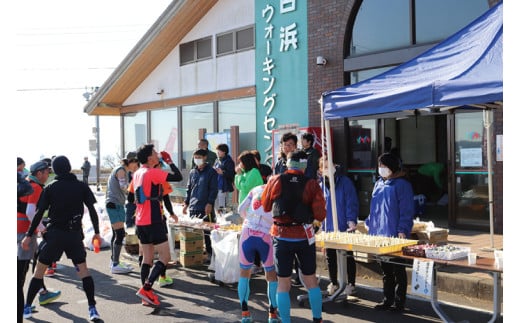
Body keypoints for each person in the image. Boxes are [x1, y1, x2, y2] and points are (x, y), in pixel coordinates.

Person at [21, 155, 102, 321]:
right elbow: (92, 210)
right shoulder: (81, 186)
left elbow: (37, 214)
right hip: (74, 235)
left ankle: (27, 307)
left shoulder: (50, 187)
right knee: (84, 272)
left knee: (39, 272)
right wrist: (97, 232)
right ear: (70, 167)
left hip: (55, 236)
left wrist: (29, 235)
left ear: (55, 171)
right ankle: (92, 309)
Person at [261, 150, 326, 323]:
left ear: (287, 164)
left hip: (281, 236)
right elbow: (320, 215)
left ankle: (286, 321)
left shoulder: (275, 180)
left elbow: (266, 206)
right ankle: (317, 319)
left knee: (283, 283)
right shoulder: (312, 184)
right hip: (304, 237)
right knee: (311, 281)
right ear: (305, 165)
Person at [128, 144, 183, 306]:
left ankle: (146, 293)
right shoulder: (152, 173)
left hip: (140, 221)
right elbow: (178, 177)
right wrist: (169, 161)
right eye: (154, 153)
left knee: (147, 258)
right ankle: (147, 288)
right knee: (165, 257)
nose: (157, 154)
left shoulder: (137, 173)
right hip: (153, 220)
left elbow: (131, 198)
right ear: (150, 158)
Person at [365, 153, 414, 312]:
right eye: (380, 166)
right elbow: (374, 208)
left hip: (395, 233)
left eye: (384, 166)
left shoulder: (402, 185)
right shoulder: (379, 183)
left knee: (398, 269)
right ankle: (387, 299)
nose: (381, 169)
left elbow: (406, 210)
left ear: (392, 167)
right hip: (379, 233)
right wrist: (368, 223)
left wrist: (403, 229)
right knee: (386, 269)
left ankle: (399, 302)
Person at [17, 160, 61, 322]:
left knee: (34, 264)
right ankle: (22, 307)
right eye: (46, 172)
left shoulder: (24, 184)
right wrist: (42, 229)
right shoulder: (34, 187)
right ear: (38, 173)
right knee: (21, 274)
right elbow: (30, 212)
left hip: (20, 231)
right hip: (23, 233)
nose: (47, 175)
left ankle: (32, 298)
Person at [237, 184, 279, 323]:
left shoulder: (254, 189)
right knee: (270, 274)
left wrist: (248, 220)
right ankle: (272, 314)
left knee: (244, 273)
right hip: (266, 235)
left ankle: (245, 314)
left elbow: (240, 209)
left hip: (247, 232)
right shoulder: (278, 191)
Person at [318, 158, 359, 296]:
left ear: (335, 166)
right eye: (324, 166)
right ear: (320, 170)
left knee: (347, 255)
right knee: (330, 256)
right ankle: (334, 282)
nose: (328, 168)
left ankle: (351, 284)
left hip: (344, 225)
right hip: (328, 225)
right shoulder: (321, 185)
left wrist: (351, 220)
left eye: (330, 165)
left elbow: (351, 203)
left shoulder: (345, 182)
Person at [272, 133, 303, 286]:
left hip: (298, 204)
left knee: (298, 239)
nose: (287, 147)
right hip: (282, 205)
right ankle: (286, 274)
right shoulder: (279, 163)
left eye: (290, 144)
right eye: (284, 145)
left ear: (295, 145)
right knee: (284, 243)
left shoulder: (301, 160)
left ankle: (300, 274)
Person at [105, 155, 140, 274]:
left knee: (116, 234)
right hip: (114, 204)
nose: (137, 167)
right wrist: (135, 189)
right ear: (131, 162)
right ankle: (115, 264)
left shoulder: (121, 170)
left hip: (116, 204)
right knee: (119, 234)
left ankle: (113, 261)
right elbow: (123, 187)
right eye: (136, 164)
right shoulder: (121, 170)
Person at [182, 149, 218, 264]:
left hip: (205, 206)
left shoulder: (211, 172)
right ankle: (196, 254)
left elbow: (213, 189)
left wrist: (210, 203)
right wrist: (186, 203)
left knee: (208, 232)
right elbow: (189, 189)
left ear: (205, 158)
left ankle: (210, 254)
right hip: (193, 206)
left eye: (198, 157)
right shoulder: (193, 172)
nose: (196, 159)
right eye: (195, 157)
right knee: (194, 233)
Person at [213, 143, 235, 212]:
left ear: (224, 151)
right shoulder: (217, 160)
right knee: (216, 205)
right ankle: (217, 218)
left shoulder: (229, 161)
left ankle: (223, 218)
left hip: (224, 187)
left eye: (219, 151)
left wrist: (222, 172)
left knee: (222, 206)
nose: (217, 153)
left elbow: (232, 174)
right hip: (216, 185)